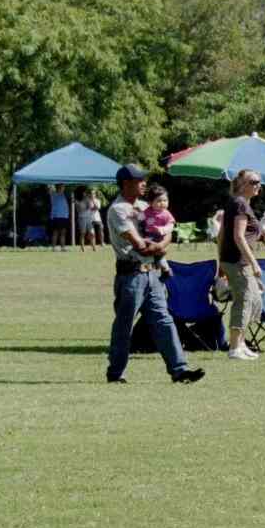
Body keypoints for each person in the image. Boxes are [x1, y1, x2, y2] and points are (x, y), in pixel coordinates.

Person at [104, 165, 204, 385]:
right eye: (139, 180)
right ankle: (116, 373)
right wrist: (158, 246)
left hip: (152, 274)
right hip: (131, 276)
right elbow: (139, 246)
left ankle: (180, 370)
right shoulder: (118, 210)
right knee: (124, 325)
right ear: (126, 184)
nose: (144, 184)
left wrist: (160, 245)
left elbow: (169, 231)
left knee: (164, 321)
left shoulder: (144, 206)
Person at [219, 170, 265, 362]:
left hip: (233, 260)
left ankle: (241, 343)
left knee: (254, 299)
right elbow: (238, 237)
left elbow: (221, 235)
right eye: (253, 181)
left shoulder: (239, 203)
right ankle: (234, 348)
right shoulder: (239, 204)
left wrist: (220, 262)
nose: (258, 185)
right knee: (244, 300)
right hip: (238, 261)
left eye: (259, 181)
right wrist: (254, 263)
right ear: (241, 184)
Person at [140, 184, 177, 277]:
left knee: (159, 255)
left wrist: (163, 230)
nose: (163, 203)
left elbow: (171, 225)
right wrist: (135, 215)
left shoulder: (166, 214)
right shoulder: (147, 211)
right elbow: (140, 217)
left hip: (159, 237)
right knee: (148, 251)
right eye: (159, 201)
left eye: (165, 200)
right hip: (149, 236)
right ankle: (155, 267)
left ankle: (166, 269)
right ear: (150, 202)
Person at [76, 187, 103, 252]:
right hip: (82, 218)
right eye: (85, 192)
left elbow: (93, 207)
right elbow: (80, 209)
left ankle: (94, 248)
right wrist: (85, 205)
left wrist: (90, 201)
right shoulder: (78, 201)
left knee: (92, 233)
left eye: (86, 193)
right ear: (82, 193)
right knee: (83, 233)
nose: (86, 194)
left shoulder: (88, 199)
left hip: (89, 218)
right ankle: (82, 248)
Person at [49, 183, 71, 250]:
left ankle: (63, 247)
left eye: (64, 187)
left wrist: (67, 215)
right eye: (63, 186)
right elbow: (50, 188)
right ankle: (53, 247)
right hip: (57, 216)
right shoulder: (54, 194)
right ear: (59, 187)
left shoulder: (64, 195)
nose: (64, 188)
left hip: (64, 217)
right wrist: (51, 186)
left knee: (63, 233)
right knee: (56, 232)